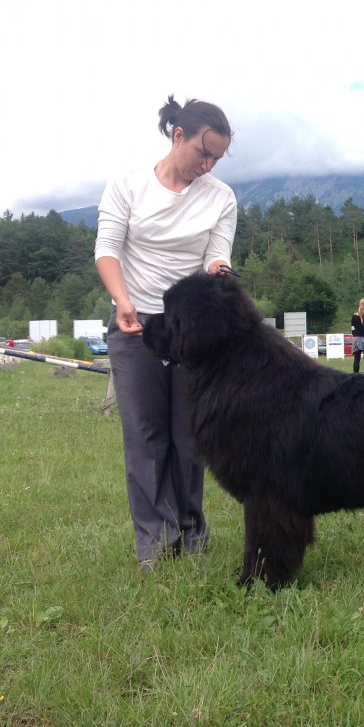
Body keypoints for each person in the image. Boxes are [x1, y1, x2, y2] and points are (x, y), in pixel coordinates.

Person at [95, 95, 237, 571]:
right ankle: (156, 544)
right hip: (137, 326)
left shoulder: (221, 197)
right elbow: (108, 250)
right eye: (204, 151)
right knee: (146, 437)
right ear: (179, 136)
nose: (209, 163)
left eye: (217, 156)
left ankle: (192, 536)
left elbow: (216, 256)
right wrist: (122, 300)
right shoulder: (128, 185)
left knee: (190, 438)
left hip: (189, 333)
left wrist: (221, 271)